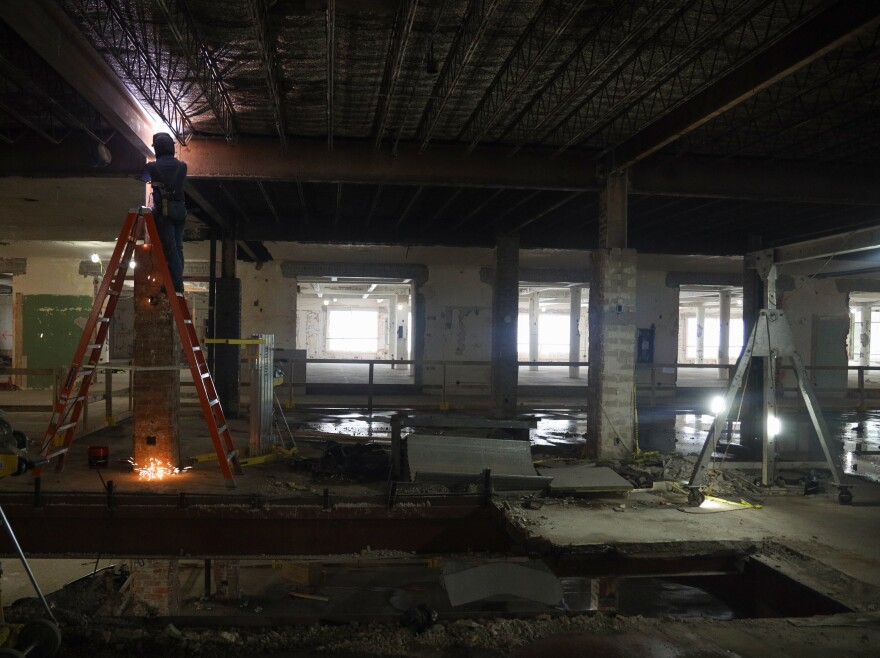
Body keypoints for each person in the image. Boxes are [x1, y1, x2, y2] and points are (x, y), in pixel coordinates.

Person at [143, 132, 187, 293]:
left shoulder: (152, 167)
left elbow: (143, 176)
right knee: (178, 247)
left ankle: (176, 285)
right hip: (180, 211)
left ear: (157, 149)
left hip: (164, 213)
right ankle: (177, 280)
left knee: (170, 249)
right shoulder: (183, 166)